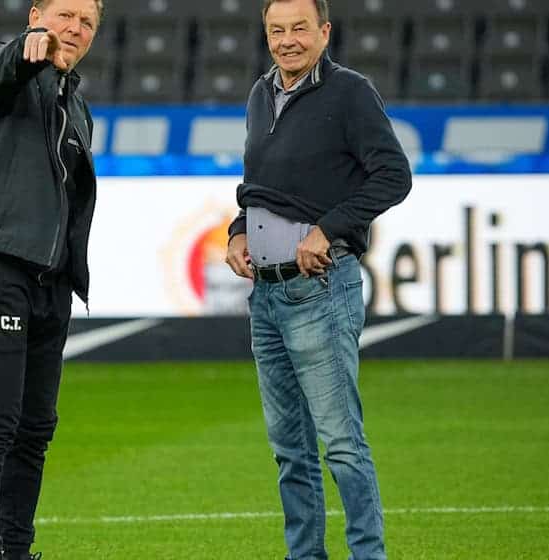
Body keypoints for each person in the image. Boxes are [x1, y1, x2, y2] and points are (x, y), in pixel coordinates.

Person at [225, 1, 412, 558]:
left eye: (299, 28)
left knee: (341, 445)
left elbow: (394, 176)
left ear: (324, 32)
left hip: (320, 290)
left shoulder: (350, 92)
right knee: (290, 450)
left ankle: (367, 555)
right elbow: (257, 184)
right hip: (266, 295)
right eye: (276, 30)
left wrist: (328, 230)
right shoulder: (261, 95)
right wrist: (238, 232)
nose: (287, 40)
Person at [0, 1, 102, 558]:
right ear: (36, 14)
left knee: (35, 428)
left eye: (87, 22)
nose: (74, 28)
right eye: (65, 14)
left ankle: (16, 549)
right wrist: (28, 50)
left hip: (48, 283)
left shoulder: (76, 103)